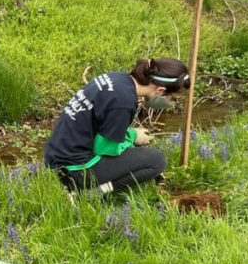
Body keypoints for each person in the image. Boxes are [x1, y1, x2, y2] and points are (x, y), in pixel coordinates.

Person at [43, 58, 189, 195]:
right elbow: (105, 149)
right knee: (157, 161)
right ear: (161, 91)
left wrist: (131, 136)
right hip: (76, 169)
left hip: (56, 158)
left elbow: (101, 125)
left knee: (136, 150)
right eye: (172, 99)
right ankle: (87, 194)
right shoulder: (123, 102)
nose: (171, 103)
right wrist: (132, 138)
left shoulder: (117, 79)